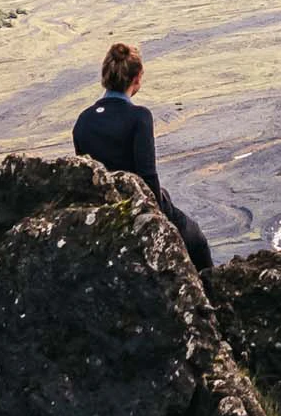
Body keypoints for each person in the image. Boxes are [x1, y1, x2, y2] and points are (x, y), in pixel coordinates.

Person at [72, 41, 213, 271]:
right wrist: (158, 220)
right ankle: (211, 293)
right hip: (137, 206)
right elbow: (147, 174)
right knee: (196, 240)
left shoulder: (83, 120)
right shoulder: (139, 117)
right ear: (137, 78)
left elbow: (85, 175)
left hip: (102, 211)